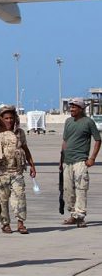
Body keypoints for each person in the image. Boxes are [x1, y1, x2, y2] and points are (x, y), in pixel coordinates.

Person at [0, 105, 36, 234]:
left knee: (20, 197)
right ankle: (5, 224)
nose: (9, 120)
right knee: (1, 200)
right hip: (0, 173)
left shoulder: (19, 132)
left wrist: (32, 165)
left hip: (17, 171)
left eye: (11, 118)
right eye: (6, 118)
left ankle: (21, 223)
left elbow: (25, 149)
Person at [61, 97, 101, 228]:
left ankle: (80, 216)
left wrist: (92, 158)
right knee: (68, 191)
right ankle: (73, 215)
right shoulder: (68, 122)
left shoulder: (88, 122)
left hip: (80, 161)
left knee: (81, 189)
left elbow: (98, 140)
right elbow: (65, 142)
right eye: (70, 107)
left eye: (74, 107)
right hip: (68, 161)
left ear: (81, 109)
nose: (71, 109)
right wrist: (61, 160)